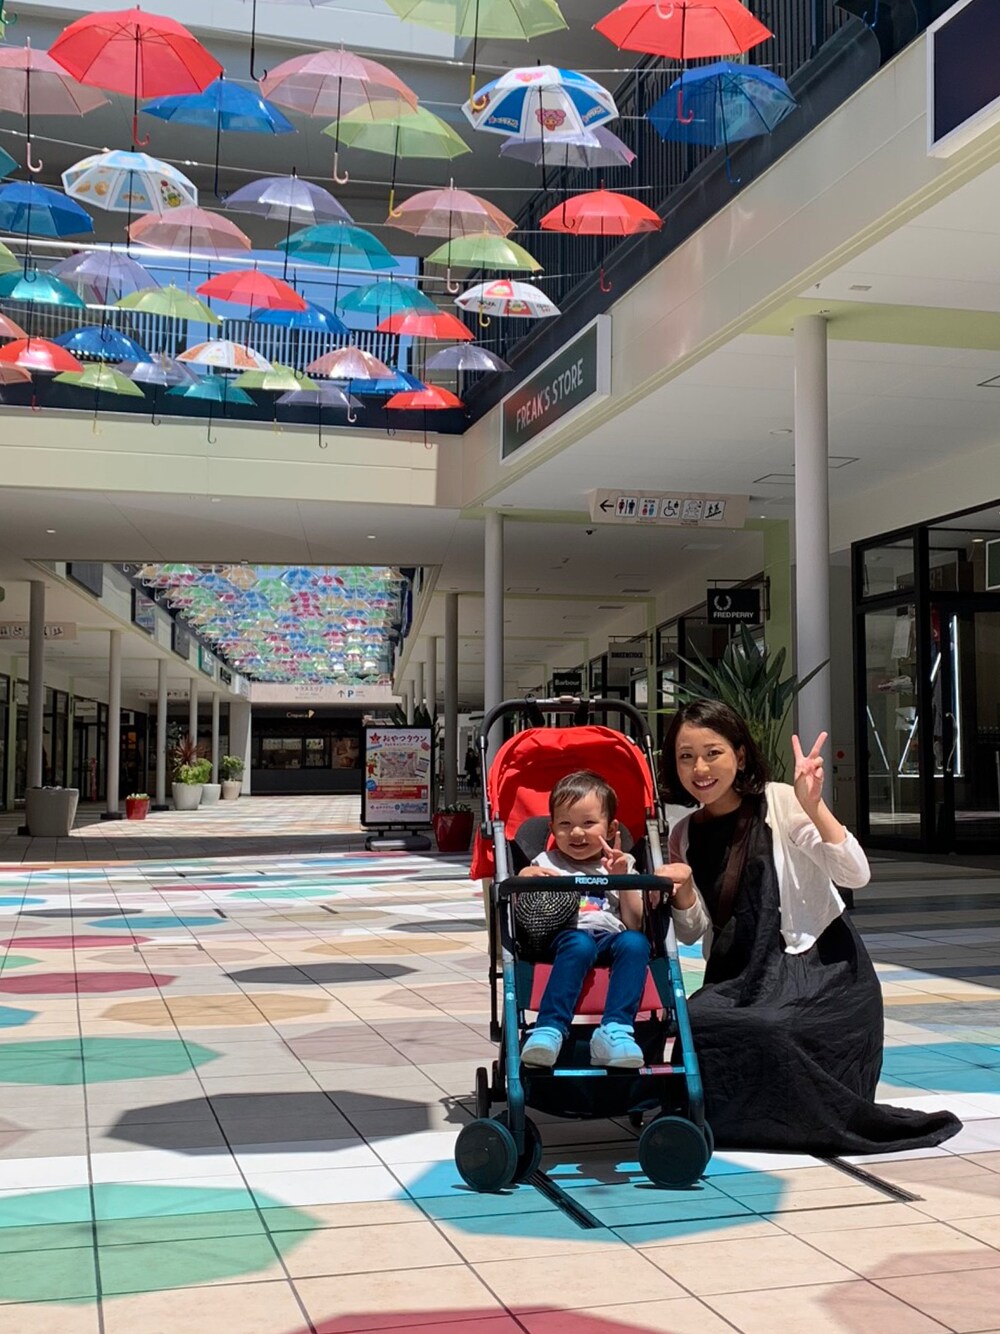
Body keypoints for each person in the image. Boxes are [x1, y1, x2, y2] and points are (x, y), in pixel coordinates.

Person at [660, 699, 961, 1155]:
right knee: (694, 1023)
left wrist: (814, 806)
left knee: (772, 1030)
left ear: (739, 754)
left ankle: (782, 1119)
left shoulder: (781, 802)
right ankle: (744, 1120)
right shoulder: (683, 834)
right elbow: (692, 930)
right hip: (740, 978)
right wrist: (681, 891)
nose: (700, 768)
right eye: (686, 756)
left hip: (822, 972)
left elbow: (855, 874)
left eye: (712, 753)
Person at [517, 770, 698, 1070]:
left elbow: (634, 922)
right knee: (580, 944)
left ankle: (616, 1029)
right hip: (564, 937)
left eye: (588, 824)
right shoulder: (546, 862)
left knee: (636, 942)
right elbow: (526, 909)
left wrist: (622, 878)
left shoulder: (621, 864)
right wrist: (525, 878)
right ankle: (549, 1027)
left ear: (611, 828)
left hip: (610, 937)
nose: (577, 833)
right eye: (565, 824)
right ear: (552, 828)